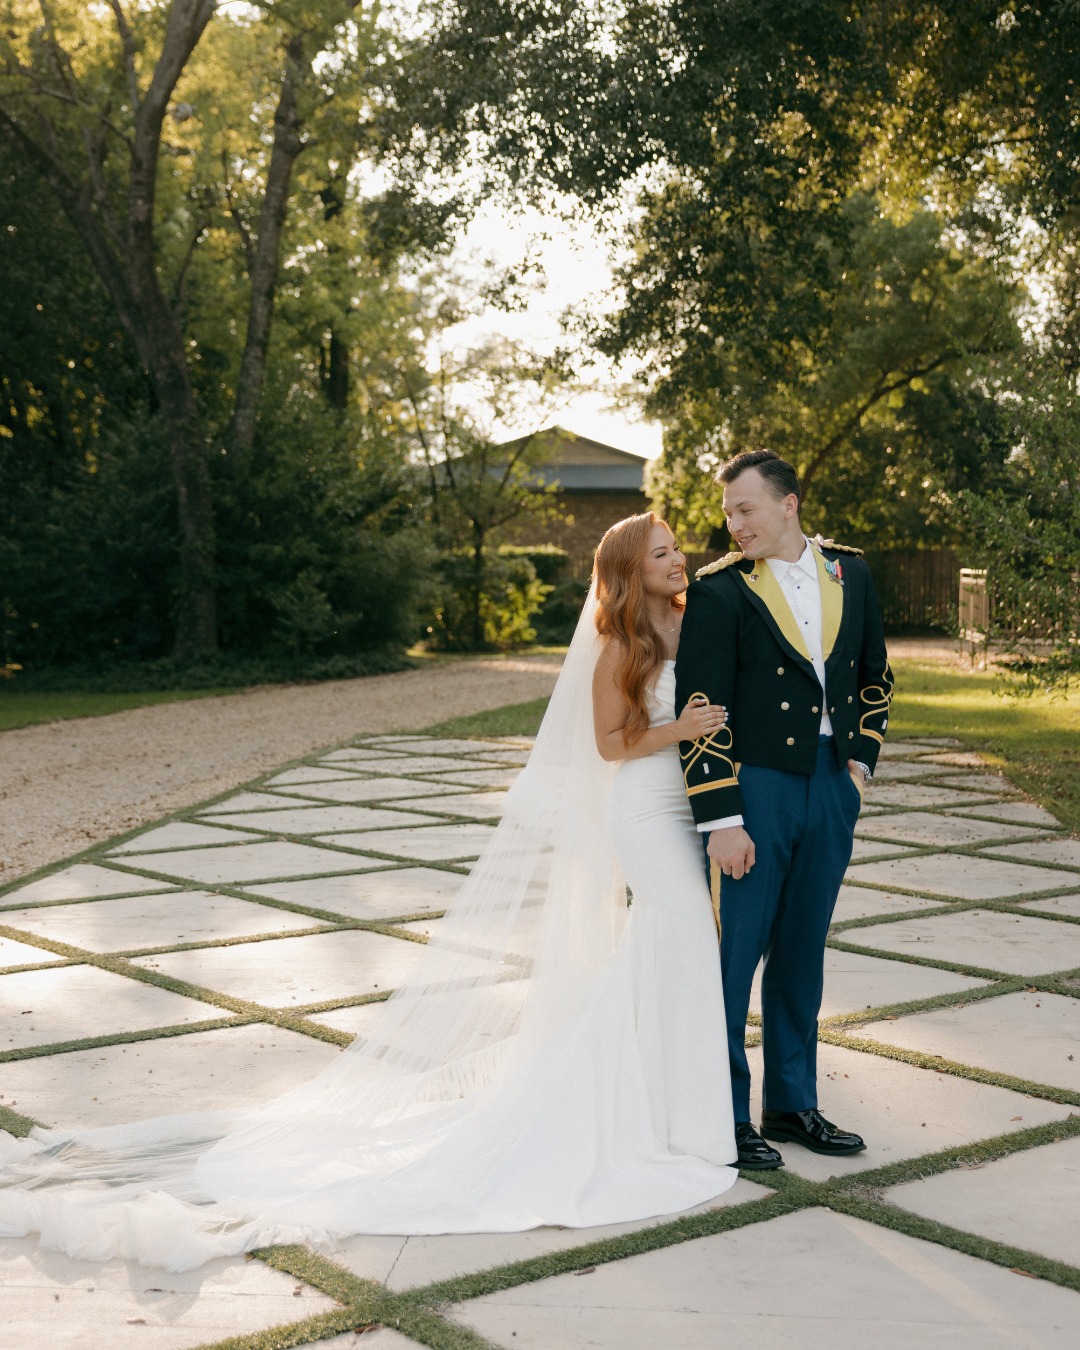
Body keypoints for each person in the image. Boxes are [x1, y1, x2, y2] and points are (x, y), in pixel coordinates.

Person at [0, 513, 736, 1271]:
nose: (679, 558)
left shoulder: (694, 619)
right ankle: (668, 1117)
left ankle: (671, 1100)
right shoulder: (617, 646)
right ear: (629, 569)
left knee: (671, 948)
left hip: (689, 806)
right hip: (643, 809)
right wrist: (679, 730)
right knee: (678, 931)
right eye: (662, 552)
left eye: (676, 547)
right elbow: (609, 745)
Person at [674, 450, 893, 1171]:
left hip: (830, 785)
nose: (734, 525)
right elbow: (700, 708)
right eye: (728, 513)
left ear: (788, 503)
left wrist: (859, 765)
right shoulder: (719, 592)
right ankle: (725, 1115)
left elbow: (876, 674)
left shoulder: (851, 573)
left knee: (803, 949)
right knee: (734, 958)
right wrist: (721, 819)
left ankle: (793, 1104)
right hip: (756, 789)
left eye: (746, 509)